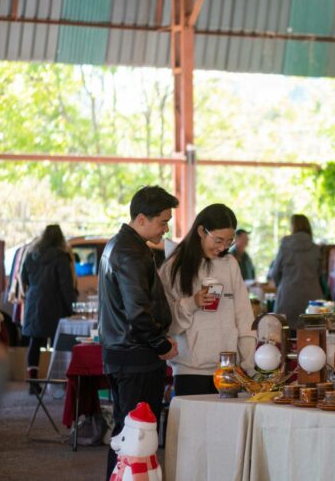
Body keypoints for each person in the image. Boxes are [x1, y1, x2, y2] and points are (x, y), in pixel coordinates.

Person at [99, 185, 179, 477]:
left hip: (123, 353)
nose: (166, 229)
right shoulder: (130, 252)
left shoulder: (119, 245)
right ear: (142, 218)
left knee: (126, 433)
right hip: (137, 356)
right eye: (162, 221)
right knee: (139, 435)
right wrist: (161, 345)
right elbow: (138, 313)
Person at [160, 204, 256, 396]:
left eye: (229, 242)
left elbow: (244, 317)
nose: (222, 248)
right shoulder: (174, 266)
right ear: (201, 231)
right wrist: (193, 303)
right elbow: (165, 322)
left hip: (229, 371)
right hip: (190, 371)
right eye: (218, 240)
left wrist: (250, 366)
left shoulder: (230, 264)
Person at [20, 224, 77, 394]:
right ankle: (61, 382)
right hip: (55, 305)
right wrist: (71, 307)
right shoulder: (61, 257)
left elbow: (24, 278)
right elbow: (66, 286)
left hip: (34, 303)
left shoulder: (31, 255)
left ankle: (33, 382)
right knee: (60, 343)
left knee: (34, 342)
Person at [269, 214, 323, 329]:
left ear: (293, 227)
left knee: (286, 338)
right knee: (312, 338)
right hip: (312, 300)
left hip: (288, 297)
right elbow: (320, 273)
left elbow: (275, 272)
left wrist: (283, 284)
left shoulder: (285, 246)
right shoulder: (315, 248)